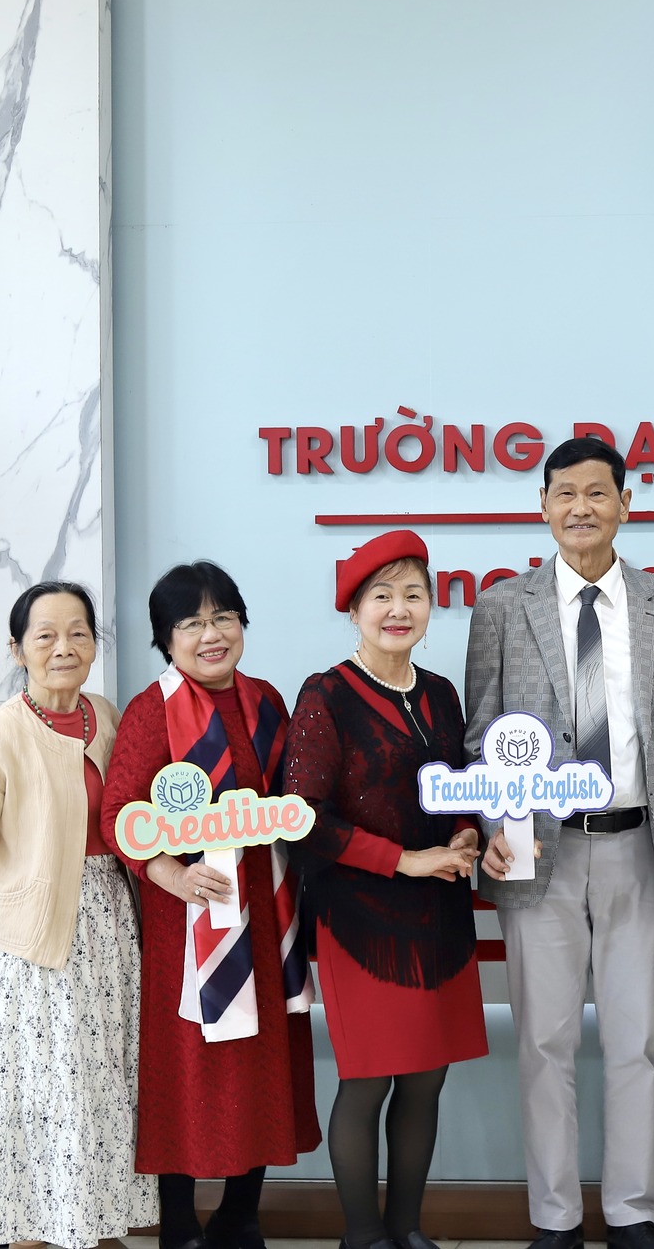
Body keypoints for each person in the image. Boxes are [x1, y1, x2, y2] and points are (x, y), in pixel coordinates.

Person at [466, 436, 654, 1249]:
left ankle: (633, 1212)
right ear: (542, 505)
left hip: (641, 847)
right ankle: (556, 1218)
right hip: (541, 853)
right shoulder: (503, 607)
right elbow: (480, 735)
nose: (581, 508)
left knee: (640, 1039)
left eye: (597, 492)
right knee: (544, 1040)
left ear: (625, 504)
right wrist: (496, 828)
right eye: (564, 493)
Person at [103, 562, 319, 1249]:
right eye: (191, 623)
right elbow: (117, 815)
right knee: (190, 1069)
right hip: (192, 921)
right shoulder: (152, 710)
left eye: (223, 616)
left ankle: (240, 1214)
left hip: (266, 910)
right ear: (166, 639)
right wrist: (172, 875)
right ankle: (177, 1222)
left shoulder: (266, 700)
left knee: (261, 1061)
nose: (211, 634)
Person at [0, 582, 154, 1249]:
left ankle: (97, 1224)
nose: (64, 647)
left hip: (108, 927)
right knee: (38, 1091)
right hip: (29, 947)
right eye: (46, 635)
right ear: (18, 649)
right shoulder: (0, 735)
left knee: (100, 1086)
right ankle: (31, 1231)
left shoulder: (105, 716)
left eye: (79, 632)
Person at [284, 531, 485, 1249]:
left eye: (413, 594)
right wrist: (403, 861)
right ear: (355, 609)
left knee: (427, 1077)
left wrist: (466, 833)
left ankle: (407, 1229)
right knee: (369, 1078)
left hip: (439, 911)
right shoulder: (326, 695)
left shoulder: (441, 693)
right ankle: (362, 1236)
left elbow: (458, 787)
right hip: (361, 918)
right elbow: (302, 818)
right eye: (382, 596)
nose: (399, 610)